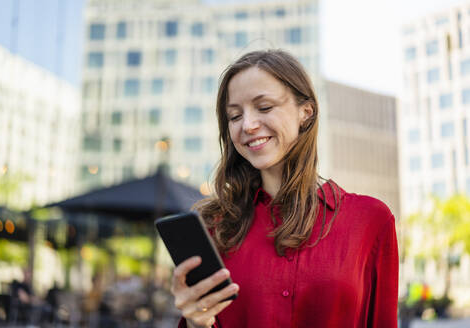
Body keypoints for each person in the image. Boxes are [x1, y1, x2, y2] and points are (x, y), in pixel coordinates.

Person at [171, 49, 399, 328]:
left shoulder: (370, 220)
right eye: (234, 116)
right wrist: (196, 322)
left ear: (306, 112)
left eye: (264, 107)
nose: (248, 125)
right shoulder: (215, 228)